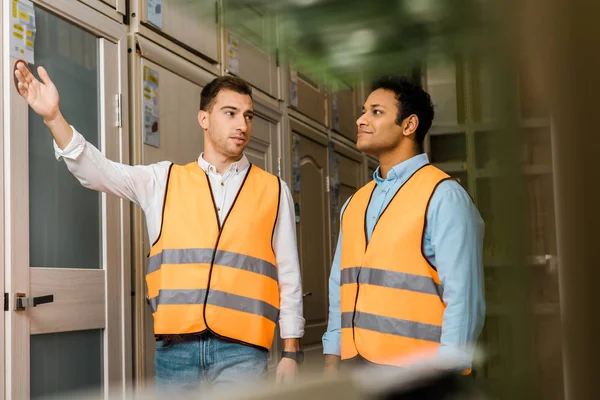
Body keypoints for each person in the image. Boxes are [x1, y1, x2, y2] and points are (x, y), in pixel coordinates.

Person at [14, 61, 305, 392]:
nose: (242, 124)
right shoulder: (163, 180)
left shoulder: (273, 189)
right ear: (204, 119)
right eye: (230, 113)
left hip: (243, 351)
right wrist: (54, 118)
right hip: (176, 351)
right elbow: (97, 171)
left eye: (248, 116)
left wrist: (291, 351)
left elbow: (289, 275)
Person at [322, 75, 485, 374]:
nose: (360, 120)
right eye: (363, 111)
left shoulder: (444, 196)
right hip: (355, 366)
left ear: (409, 125)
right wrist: (333, 353)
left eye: (376, 112)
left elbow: (463, 297)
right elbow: (339, 284)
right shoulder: (354, 203)